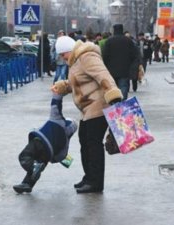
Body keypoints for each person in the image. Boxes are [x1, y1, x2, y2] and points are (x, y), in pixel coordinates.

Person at [52, 36, 123, 193]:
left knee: (93, 145)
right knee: (85, 142)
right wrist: (63, 86)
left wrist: (113, 94)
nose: (62, 58)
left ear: (68, 50)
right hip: (88, 109)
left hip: (98, 106)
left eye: (62, 54)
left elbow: (103, 75)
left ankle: (95, 182)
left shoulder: (86, 56)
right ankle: (89, 177)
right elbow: (79, 81)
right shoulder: (76, 60)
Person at [13, 93, 78, 194]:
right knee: (40, 164)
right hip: (48, 154)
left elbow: (55, 105)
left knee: (24, 156)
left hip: (40, 142)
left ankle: (33, 168)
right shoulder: (66, 141)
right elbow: (61, 157)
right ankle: (28, 184)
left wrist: (57, 93)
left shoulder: (57, 121)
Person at [102, 24, 138, 100]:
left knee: (113, 88)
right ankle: (123, 103)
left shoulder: (109, 41)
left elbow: (104, 55)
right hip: (124, 70)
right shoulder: (128, 41)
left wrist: (105, 67)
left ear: (114, 30)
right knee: (123, 86)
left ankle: (115, 104)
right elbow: (134, 55)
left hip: (111, 70)